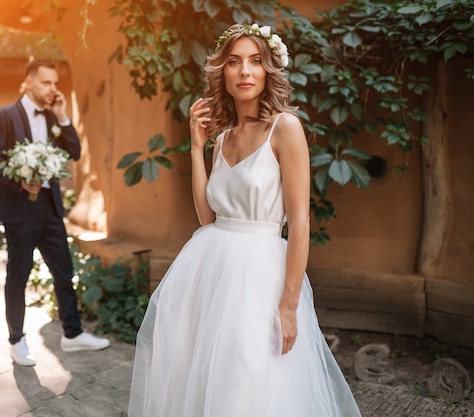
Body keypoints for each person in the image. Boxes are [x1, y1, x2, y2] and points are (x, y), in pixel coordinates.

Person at [128, 24, 361, 416]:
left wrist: (288, 306)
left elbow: (300, 223)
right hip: (211, 272)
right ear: (223, 72)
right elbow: (207, 217)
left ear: (269, 70)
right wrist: (196, 147)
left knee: (247, 375)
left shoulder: (285, 128)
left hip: (260, 277)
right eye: (234, 62)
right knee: (204, 375)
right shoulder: (222, 138)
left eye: (255, 61)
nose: (245, 71)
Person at [0, 59, 110, 367]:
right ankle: (16, 340)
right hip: (19, 209)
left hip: (50, 208)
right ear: (28, 83)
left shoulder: (54, 116)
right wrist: (19, 179)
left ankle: (73, 334)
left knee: (64, 271)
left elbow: (75, 153)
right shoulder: (4, 116)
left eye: (55, 82)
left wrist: (64, 117)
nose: (53, 88)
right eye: (46, 83)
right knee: (18, 276)